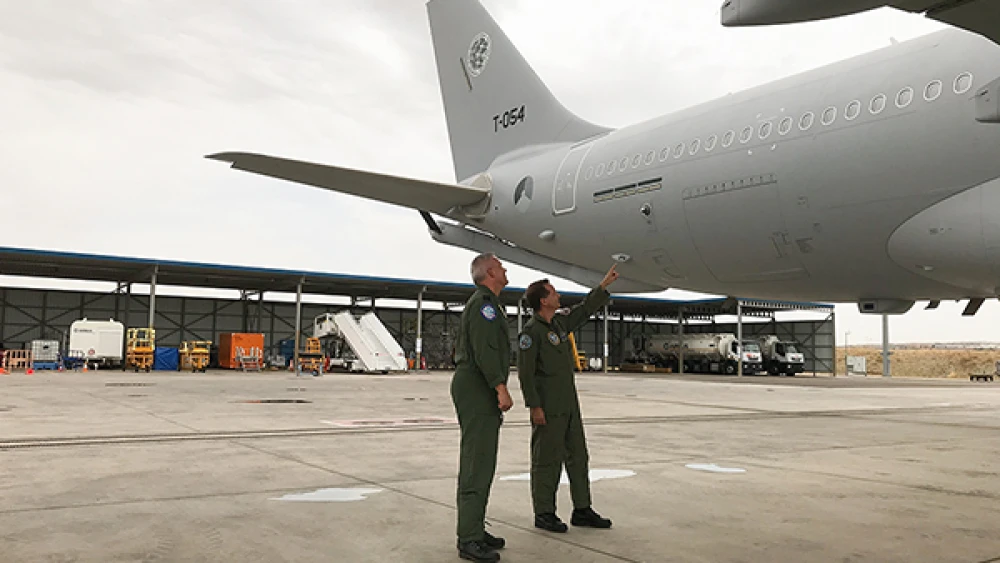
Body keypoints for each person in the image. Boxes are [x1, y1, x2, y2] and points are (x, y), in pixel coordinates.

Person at [516, 264, 619, 533]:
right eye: (553, 292)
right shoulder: (531, 333)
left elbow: (584, 310)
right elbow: (526, 374)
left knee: (578, 456)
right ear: (543, 300)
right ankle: (544, 513)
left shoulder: (560, 324)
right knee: (546, 460)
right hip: (548, 407)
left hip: (569, 404)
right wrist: (534, 406)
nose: (558, 295)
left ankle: (582, 509)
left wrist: (603, 285)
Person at [451, 253, 514, 562]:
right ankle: (469, 538)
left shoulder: (489, 303)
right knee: (477, 462)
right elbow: (486, 349)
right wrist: (499, 386)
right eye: (501, 266)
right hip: (478, 385)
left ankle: (475, 526)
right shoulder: (485, 305)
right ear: (490, 271)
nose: (505, 269)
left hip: (478, 384)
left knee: (483, 461)